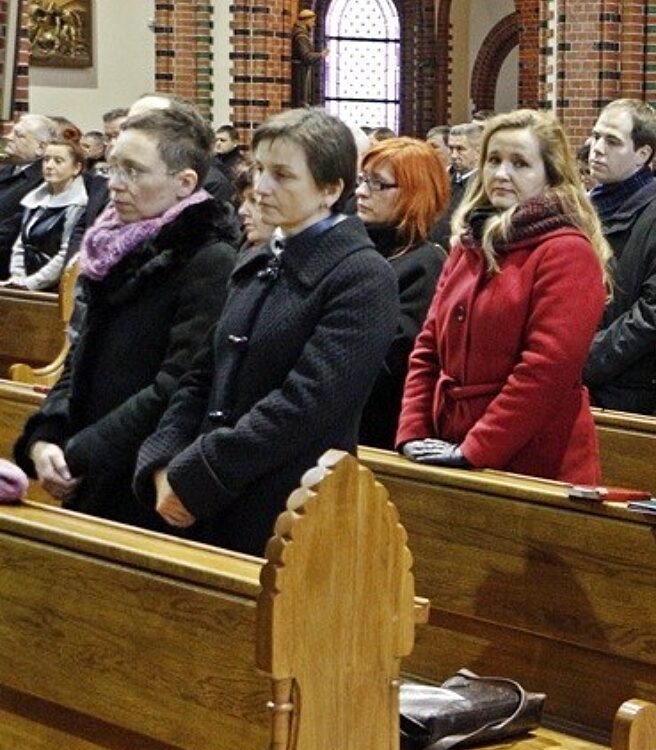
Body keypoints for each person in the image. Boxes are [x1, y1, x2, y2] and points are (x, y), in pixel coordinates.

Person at [134, 108, 399, 555]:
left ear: (330, 190)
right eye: (258, 169)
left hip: (289, 504)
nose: (260, 188)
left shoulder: (363, 276)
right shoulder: (260, 256)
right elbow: (202, 374)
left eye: (282, 175)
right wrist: (164, 460)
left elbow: (306, 404)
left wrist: (199, 474)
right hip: (210, 498)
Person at [14, 105, 236, 531]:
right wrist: (46, 436)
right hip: (89, 465)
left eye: (133, 171)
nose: (115, 183)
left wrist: (82, 452)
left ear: (184, 183)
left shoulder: (209, 260)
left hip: (141, 478)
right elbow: (80, 356)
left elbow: (176, 384)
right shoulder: (116, 247)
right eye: (114, 167)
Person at [398, 109, 609, 482]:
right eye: (493, 160)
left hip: (534, 459)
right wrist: (414, 430)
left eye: (520, 163)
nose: (500, 173)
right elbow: (428, 346)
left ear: (551, 175)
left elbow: (546, 368)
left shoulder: (566, 251)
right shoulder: (469, 244)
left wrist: (476, 448)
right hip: (448, 442)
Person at [584, 99, 656, 414]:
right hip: (567, 378)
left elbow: (653, 314)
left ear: (642, 154)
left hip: (625, 393)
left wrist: (583, 359)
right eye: (596, 136)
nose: (597, 149)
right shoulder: (580, 212)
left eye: (612, 141)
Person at [355, 137, 449, 447]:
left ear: (413, 192)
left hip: (378, 427)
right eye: (362, 180)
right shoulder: (355, 247)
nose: (361, 191)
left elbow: (391, 359)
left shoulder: (424, 264)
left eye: (377, 184)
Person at [6, 137, 88, 291]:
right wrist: (18, 277)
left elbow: (66, 253)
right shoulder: (34, 199)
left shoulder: (78, 204)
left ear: (76, 168)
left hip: (54, 288)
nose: (49, 166)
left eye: (58, 161)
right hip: (24, 283)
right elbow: (21, 244)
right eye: (46, 160)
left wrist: (31, 283)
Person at [0, 114, 54, 257]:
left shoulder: (43, 181)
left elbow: (13, 229)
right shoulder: (7, 168)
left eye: (19, 135)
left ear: (40, 147)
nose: (8, 137)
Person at [430, 121, 484, 244]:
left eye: (460, 149)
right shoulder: (443, 181)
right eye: (451, 148)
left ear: (478, 152)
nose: (454, 156)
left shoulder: (482, 188)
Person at [290, 9, 325, 107]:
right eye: (312, 21)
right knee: (301, 101)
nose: (314, 24)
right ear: (306, 20)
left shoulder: (303, 34)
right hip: (300, 73)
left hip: (302, 71)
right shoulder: (301, 36)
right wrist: (321, 55)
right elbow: (306, 56)